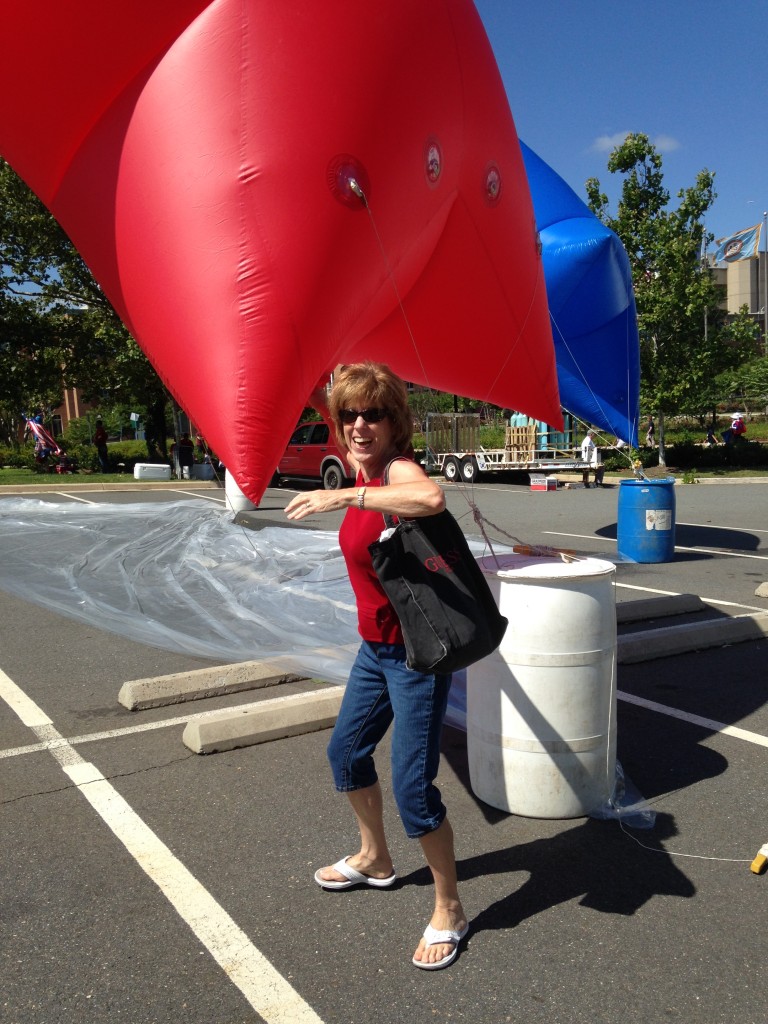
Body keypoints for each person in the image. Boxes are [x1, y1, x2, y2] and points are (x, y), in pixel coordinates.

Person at [285, 362, 468, 971]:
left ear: (396, 422)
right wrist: (300, 368)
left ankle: (450, 908)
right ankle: (376, 859)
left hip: (415, 657)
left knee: (415, 789)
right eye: (350, 416)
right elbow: (322, 398)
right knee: (346, 754)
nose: (360, 425)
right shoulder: (360, 453)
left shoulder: (394, 471)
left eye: (375, 414)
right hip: (375, 651)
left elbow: (430, 498)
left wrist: (341, 493)